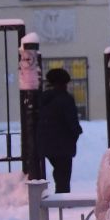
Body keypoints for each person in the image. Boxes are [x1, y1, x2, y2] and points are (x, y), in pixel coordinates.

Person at [35, 65, 84, 194]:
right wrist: (76, 132)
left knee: (57, 171)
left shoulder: (43, 98)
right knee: (63, 175)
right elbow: (72, 122)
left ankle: (49, 197)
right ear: (64, 83)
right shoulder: (66, 99)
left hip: (45, 143)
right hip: (63, 144)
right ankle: (62, 201)